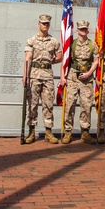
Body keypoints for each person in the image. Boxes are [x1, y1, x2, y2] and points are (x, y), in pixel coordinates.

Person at [22, 14, 61, 145]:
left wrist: (49, 62)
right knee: (32, 105)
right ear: (38, 24)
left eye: (47, 23)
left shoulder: (54, 41)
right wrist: (25, 76)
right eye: (43, 23)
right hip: (34, 75)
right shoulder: (31, 40)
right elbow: (28, 59)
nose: (45, 25)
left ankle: (48, 132)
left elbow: (60, 57)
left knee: (48, 104)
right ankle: (31, 132)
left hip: (48, 75)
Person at [61, 21, 100, 144]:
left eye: (85, 29)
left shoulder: (92, 45)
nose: (83, 31)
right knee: (70, 104)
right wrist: (63, 77)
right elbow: (65, 62)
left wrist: (89, 73)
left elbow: (96, 61)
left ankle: (85, 132)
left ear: (88, 31)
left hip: (87, 78)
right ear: (77, 31)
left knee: (86, 105)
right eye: (81, 29)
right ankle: (68, 131)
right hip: (73, 77)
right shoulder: (71, 44)